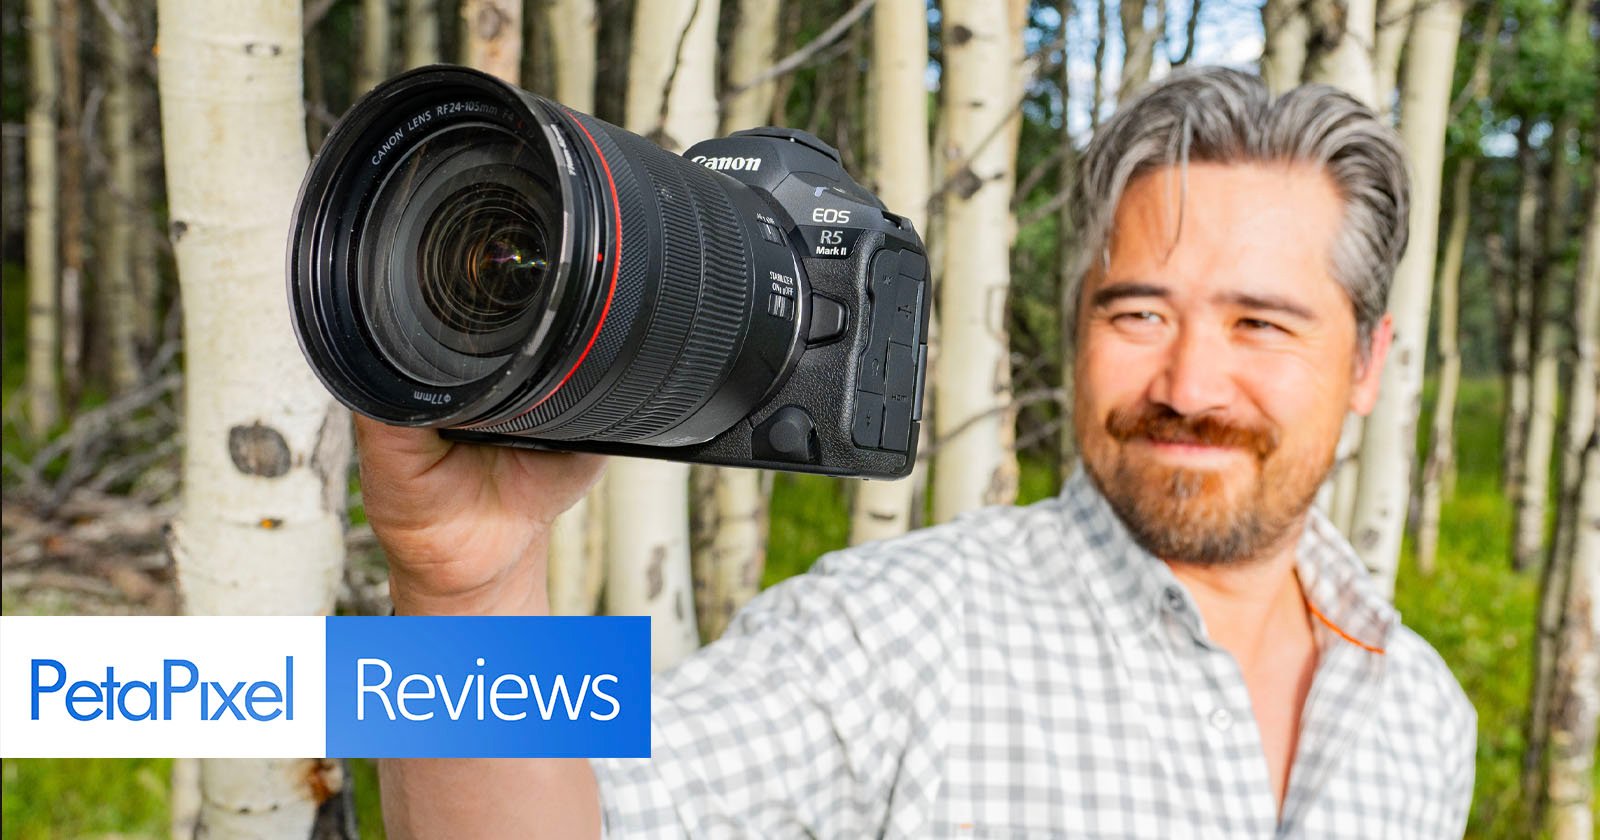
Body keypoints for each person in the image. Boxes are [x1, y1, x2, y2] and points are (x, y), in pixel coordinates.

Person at [360, 67, 1476, 839]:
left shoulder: (1420, 714)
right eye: (1137, 314)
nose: (1186, 384)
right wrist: (470, 587)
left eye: (1259, 324)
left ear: (1370, 361)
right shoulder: (894, 636)